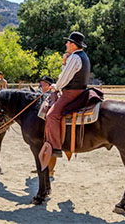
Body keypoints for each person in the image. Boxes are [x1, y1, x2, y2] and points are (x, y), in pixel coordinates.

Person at [39, 31, 90, 171]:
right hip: (80, 91)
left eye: (68, 42)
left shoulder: (75, 57)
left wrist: (55, 86)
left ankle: (55, 148)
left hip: (71, 93)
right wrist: (63, 63)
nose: (66, 44)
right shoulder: (83, 56)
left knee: (51, 115)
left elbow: (63, 79)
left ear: (73, 45)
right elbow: (68, 73)